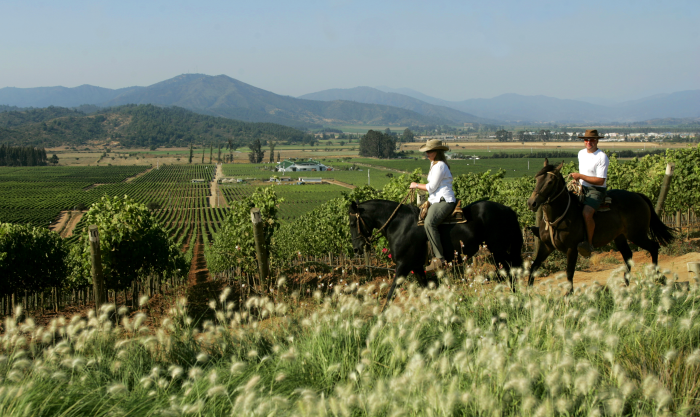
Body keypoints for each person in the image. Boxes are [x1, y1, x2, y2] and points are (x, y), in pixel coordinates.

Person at [409, 139, 456, 271]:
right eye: (426, 152)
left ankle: (439, 259)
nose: (427, 154)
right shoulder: (434, 165)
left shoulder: (439, 165)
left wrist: (416, 185)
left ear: (437, 152)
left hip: (444, 201)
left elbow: (432, 187)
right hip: (436, 199)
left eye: (429, 151)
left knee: (429, 223)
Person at [567, 129, 609, 258]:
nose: (589, 142)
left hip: (596, 190)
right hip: (581, 187)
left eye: (592, 140)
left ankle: (589, 245)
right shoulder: (581, 153)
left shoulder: (602, 156)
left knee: (586, 213)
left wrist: (580, 176)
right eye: (586, 140)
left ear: (597, 141)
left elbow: (600, 180)